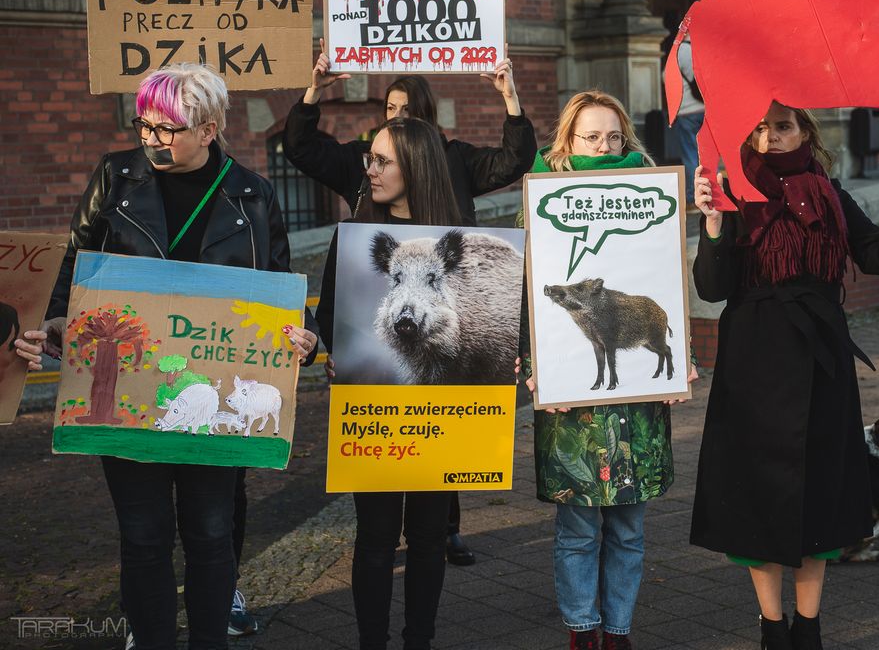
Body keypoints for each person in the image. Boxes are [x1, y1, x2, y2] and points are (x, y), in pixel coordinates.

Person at [13, 63, 318, 650]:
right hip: (125, 387)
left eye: (167, 128)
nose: (151, 138)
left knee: (209, 534)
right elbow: (74, 263)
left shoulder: (252, 193)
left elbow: (278, 284)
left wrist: (300, 336)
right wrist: (51, 319)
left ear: (209, 128)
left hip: (217, 390)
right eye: (144, 124)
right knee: (144, 534)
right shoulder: (115, 176)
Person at [689, 101, 879, 650]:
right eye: (759, 128)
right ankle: (771, 626)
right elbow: (711, 286)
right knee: (760, 493)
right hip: (753, 362)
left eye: (782, 126)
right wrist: (712, 224)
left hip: (821, 362)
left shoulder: (829, 192)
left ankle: (810, 626)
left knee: (819, 492)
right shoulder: (731, 192)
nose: (770, 137)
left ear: (804, 131)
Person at [284, 41, 537, 565]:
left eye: (407, 111)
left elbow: (515, 159)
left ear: (426, 124)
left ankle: (444, 525)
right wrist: (312, 95)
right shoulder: (368, 165)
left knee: (447, 411)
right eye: (389, 110)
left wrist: (510, 98)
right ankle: (414, 531)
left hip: (445, 295)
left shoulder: (455, 159)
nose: (396, 119)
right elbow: (303, 150)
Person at [518, 90, 696, 650]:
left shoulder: (650, 187)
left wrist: (680, 360)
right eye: (591, 137)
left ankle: (617, 630)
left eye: (614, 137)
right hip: (569, 397)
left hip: (638, 400)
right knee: (578, 527)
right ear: (567, 141)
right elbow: (522, 295)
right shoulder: (539, 192)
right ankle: (581, 629)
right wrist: (534, 366)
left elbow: (668, 281)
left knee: (628, 527)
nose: (604, 146)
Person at [315, 115, 463, 650]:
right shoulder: (353, 236)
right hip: (375, 416)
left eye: (381, 161)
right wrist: (328, 351)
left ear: (415, 166)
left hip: (442, 418)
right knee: (376, 537)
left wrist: (506, 366)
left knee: (427, 537)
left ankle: (418, 639)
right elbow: (329, 314)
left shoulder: (460, 239)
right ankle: (372, 642)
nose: (369, 170)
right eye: (369, 160)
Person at [668, 35, 704, 211]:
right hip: (704, 109)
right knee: (704, 154)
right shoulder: (701, 50)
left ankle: (692, 197)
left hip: (688, 110)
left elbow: (668, 78)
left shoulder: (682, 51)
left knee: (690, 154)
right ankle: (708, 193)